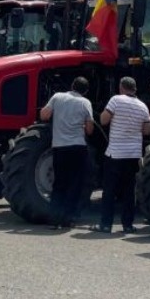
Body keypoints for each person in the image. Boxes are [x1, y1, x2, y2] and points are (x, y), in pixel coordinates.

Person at [96, 77, 150, 233]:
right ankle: (127, 224)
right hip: (133, 154)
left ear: (121, 87)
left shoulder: (116, 100)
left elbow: (104, 120)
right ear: (134, 89)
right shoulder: (142, 106)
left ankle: (106, 224)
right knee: (129, 191)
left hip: (115, 153)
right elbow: (147, 131)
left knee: (109, 190)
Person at [39, 76, 94, 229]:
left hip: (59, 147)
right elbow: (89, 129)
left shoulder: (57, 97)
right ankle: (68, 219)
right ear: (86, 91)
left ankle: (55, 219)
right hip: (77, 147)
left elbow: (44, 115)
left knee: (59, 184)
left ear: (71, 85)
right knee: (75, 184)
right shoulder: (85, 102)